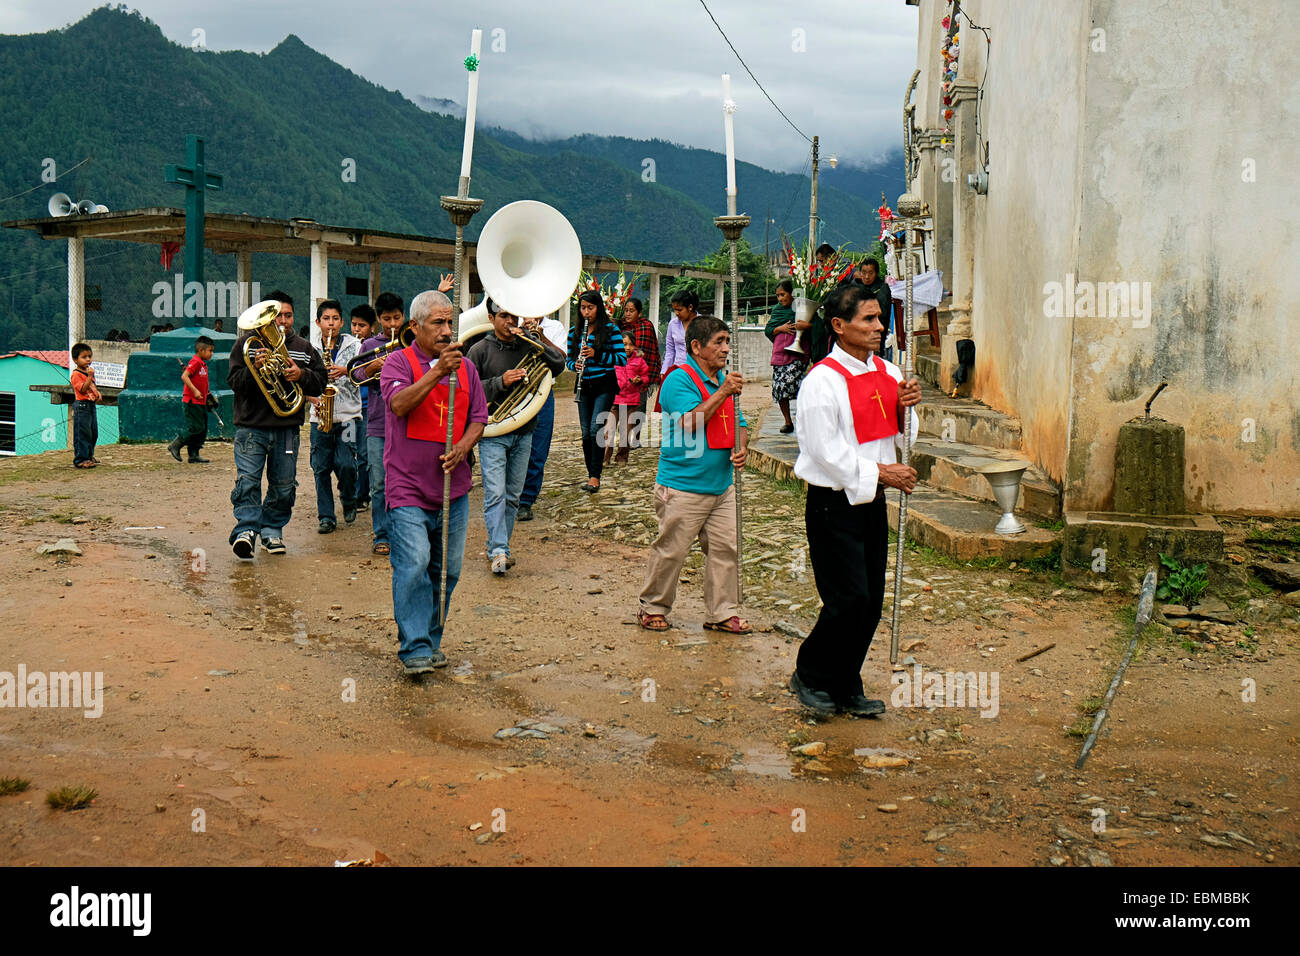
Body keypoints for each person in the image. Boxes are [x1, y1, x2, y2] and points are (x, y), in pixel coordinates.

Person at [789, 284, 921, 717]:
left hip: (872, 502)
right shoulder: (821, 381)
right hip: (832, 502)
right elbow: (825, 450)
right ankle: (810, 673)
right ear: (839, 326)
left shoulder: (890, 372)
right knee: (847, 598)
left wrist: (906, 409)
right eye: (868, 319)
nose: (879, 327)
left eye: (880, 318)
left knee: (870, 601)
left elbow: (903, 436)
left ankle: (846, 681)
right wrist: (882, 473)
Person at [381, 289, 488, 675]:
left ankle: (430, 638)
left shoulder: (468, 368)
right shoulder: (398, 362)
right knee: (414, 563)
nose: (446, 331)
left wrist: (462, 446)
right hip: (407, 485)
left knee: (447, 569)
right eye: (438, 323)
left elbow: (479, 416)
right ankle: (414, 647)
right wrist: (437, 371)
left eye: (450, 323)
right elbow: (398, 404)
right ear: (415, 327)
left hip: (454, 487)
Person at [638, 315, 750, 635]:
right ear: (697, 347)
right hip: (683, 485)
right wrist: (724, 391)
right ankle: (653, 607)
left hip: (721, 485)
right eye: (719, 342)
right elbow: (689, 422)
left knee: (724, 549)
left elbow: (740, 423)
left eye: (727, 341)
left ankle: (721, 612)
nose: (726, 348)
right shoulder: (678, 380)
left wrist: (741, 448)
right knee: (672, 550)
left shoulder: (724, 380)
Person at [466, 298, 567, 574]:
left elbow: (558, 364)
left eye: (514, 317)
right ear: (491, 318)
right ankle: (499, 550)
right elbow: (467, 391)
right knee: (495, 494)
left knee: (512, 495)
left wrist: (538, 338)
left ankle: (500, 546)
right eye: (504, 317)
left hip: (524, 430)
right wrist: (501, 382)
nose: (511, 322)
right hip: (494, 432)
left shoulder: (527, 344)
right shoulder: (478, 350)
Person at [227, 290, 327, 558]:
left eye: (287, 315)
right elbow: (234, 382)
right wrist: (253, 370)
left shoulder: (305, 349)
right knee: (247, 481)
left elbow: (322, 381)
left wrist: (301, 375)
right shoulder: (245, 345)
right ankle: (246, 530)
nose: (282, 321)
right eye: (277, 316)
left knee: (284, 484)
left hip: (286, 428)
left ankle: (272, 530)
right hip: (251, 427)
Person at [357, 291, 407, 554]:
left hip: (408, 422)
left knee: (404, 482)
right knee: (379, 483)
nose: (392, 325)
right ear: (378, 319)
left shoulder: (410, 342)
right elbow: (356, 375)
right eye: (386, 319)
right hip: (377, 423)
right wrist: (374, 367)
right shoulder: (368, 346)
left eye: (397, 318)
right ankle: (382, 535)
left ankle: (404, 532)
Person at [308, 299, 362, 534]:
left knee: (347, 464)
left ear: (342, 322)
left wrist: (346, 371)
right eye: (326, 319)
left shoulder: (356, 346)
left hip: (349, 416)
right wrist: (314, 399)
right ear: (318, 322)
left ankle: (349, 497)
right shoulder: (309, 348)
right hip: (319, 417)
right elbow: (302, 380)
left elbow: (364, 373)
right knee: (320, 468)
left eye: (335, 319)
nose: (330, 324)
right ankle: (326, 517)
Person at [568, 290, 627, 493]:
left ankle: (595, 476)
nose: (586, 312)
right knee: (585, 434)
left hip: (605, 385)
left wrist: (597, 354)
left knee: (595, 429)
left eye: (590, 308)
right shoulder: (574, 332)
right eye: (583, 308)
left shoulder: (611, 330)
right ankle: (591, 472)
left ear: (598, 308)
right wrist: (574, 364)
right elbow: (568, 359)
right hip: (583, 385)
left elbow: (621, 358)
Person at [517, 310, 567, 522]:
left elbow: (561, 360)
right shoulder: (513, 323)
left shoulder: (555, 327)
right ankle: (510, 495)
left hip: (543, 390)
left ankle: (526, 500)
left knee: (539, 448)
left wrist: (540, 336)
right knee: (515, 445)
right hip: (517, 390)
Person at [616, 297, 661, 462]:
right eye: (626, 310)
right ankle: (624, 438)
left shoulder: (646, 326)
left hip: (641, 375)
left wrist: (646, 374)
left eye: (631, 310)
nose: (628, 314)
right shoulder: (619, 326)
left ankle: (636, 437)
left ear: (639, 312)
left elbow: (651, 349)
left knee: (639, 407)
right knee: (621, 407)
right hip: (622, 374)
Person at [765, 280, 809, 434]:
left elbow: (813, 324)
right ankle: (788, 421)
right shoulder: (777, 311)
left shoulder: (802, 308)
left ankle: (804, 421)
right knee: (780, 388)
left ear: (792, 294)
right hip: (779, 354)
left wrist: (805, 326)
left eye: (782, 294)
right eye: (777, 296)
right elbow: (769, 329)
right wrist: (779, 328)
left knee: (797, 387)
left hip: (797, 354)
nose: (780, 299)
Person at [605, 332, 651, 465]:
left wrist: (640, 380)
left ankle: (621, 457)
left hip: (631, 402)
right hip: (614, 401)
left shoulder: (639, 361)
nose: (627, 347)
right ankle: (605, 458)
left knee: (625, 431)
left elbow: (646, 377)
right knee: (609, 430)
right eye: (624, 344)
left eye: (631, 344)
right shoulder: (613, 359)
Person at [168, 335, 216, 463]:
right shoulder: (195, 362)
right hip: (192, 402)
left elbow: (202, 383)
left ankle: (193, 454)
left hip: (201, 402)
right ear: (201, 350)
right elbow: (185, 377)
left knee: (202, 429)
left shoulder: (203, 365)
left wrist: (208, 395)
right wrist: (194, 391)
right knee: (196, 428)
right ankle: (176, 444)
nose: (212, 353)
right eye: (210, 351)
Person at [349, 303, 378, 512]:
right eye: (354, 325)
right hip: (352, 408)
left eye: (362, 325)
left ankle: (362, 495)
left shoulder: (374, 346)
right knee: (351, 452)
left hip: (369, 406)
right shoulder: (348, 344)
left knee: (365, 453)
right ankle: (352, 491)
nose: (357, 329)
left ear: (372, 327)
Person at [69, 343, 100, 469]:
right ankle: (81, 459)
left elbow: (92, 387)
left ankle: (89, 455)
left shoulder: (87, 372)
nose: (88, 359)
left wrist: (98, 394)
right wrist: (90, 376)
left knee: (93, 432)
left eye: (89, 356)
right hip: (82, 406)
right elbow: (82, 389)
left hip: (90, 405)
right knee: (83, 433)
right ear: (75, 359)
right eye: (84, 357)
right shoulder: (76, 374)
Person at [659, 289, 697, 379]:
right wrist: (664, 371)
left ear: (690, 307)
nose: (676, 313)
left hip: (697, 371)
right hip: (678, 370)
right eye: (674, 310)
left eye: (679, 310)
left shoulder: (704, 323)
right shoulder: (673, 324)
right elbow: (670, 350)